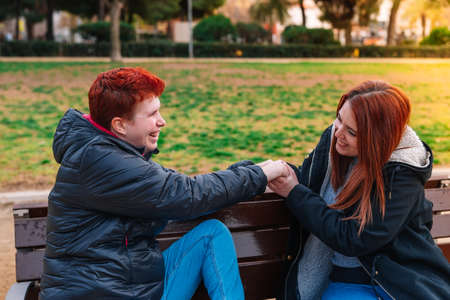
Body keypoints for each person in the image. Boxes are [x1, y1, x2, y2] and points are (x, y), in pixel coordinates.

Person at [40, 67, 288, 300]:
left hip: (135, 288)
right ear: (120, 125)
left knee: (211, 235)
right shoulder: (100, 161)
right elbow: (187, 195)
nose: (162, 121)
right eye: (152, 114)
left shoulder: (109, 152)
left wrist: (252, 172)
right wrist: (259, 174)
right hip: (104, 294)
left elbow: (180, 191)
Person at [269, 81, 450, 300]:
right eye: (339, 119)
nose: (339, 133)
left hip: (396, 285)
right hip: (346, 282)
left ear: (377, 139)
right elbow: (308, 182)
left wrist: (294, 193)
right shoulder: (334, 141)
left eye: (352, 132)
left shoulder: (400, 174)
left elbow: (355, 239)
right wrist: (255, 173)